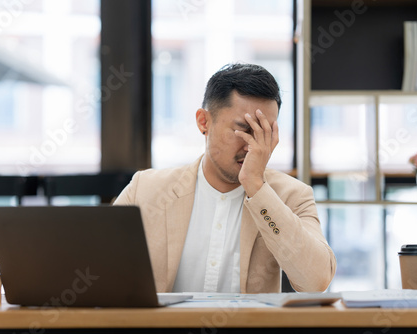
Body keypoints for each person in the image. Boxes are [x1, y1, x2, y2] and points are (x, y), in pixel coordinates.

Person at [114, 63, 336, 293]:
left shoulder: (292, 195)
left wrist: (257, 188)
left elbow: (315, 282)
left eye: (264, 133)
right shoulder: (146, 190)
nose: (253, 146)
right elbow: (97, 266)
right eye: (243, 129)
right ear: (204, 122)